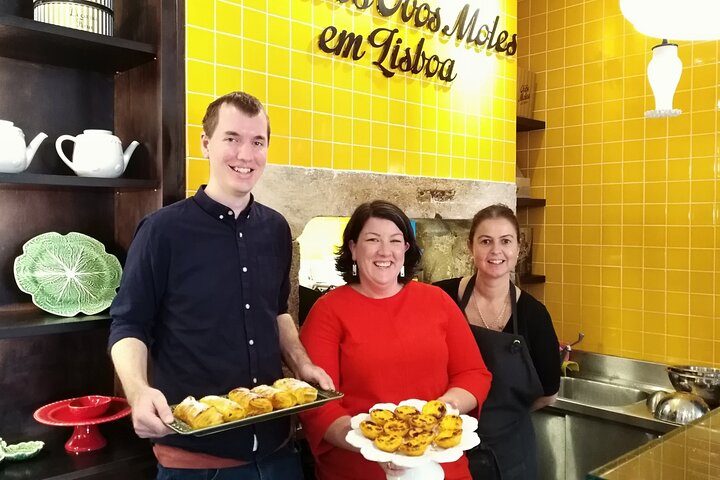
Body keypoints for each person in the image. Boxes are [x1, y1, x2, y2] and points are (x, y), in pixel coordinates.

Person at [108, 91, 332, 480]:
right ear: (206, 144)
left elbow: (277, 312)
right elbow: (129, 325)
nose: (245, 155)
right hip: (197, 460)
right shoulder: (162, 231)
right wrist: (138, 391)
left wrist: (302, 364)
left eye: (257, 142)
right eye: (232, 139)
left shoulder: (277, 229)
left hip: (279, 452)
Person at [298, 200, 492, 480]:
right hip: (359, 469)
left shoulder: (437, 301)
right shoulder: (328, 311)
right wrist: (373, 444)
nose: (385, 251)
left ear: (406, 249)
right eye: (373, 240)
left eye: (395, 240)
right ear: (353, 248)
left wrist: (441, 411)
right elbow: (317, 401)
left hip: (440, 468)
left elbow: (473, 374)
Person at [434, 204, 560, 480]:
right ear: (471, 247)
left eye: (505, 241)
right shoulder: (439, 298)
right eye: (485, 241)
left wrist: (503, 418)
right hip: (444, 446)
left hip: (511, 453)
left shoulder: (534, 315)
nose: (496, 251)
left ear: (518, 248)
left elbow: (549, 392)